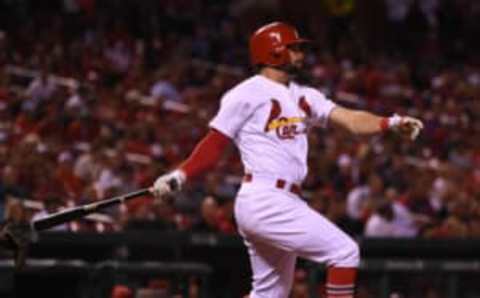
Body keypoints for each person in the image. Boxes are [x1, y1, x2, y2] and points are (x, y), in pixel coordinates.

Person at [151, 22, 423, 298]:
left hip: (282, 198)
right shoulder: (246, 92)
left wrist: (389, 122)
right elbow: (215, 142)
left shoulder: (304, 96)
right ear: (275, 51)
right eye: (294, 48)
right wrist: (180, 175)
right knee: (345, 252)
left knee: (270, 294)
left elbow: (351, 120)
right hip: (264, 196)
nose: (301, 54)